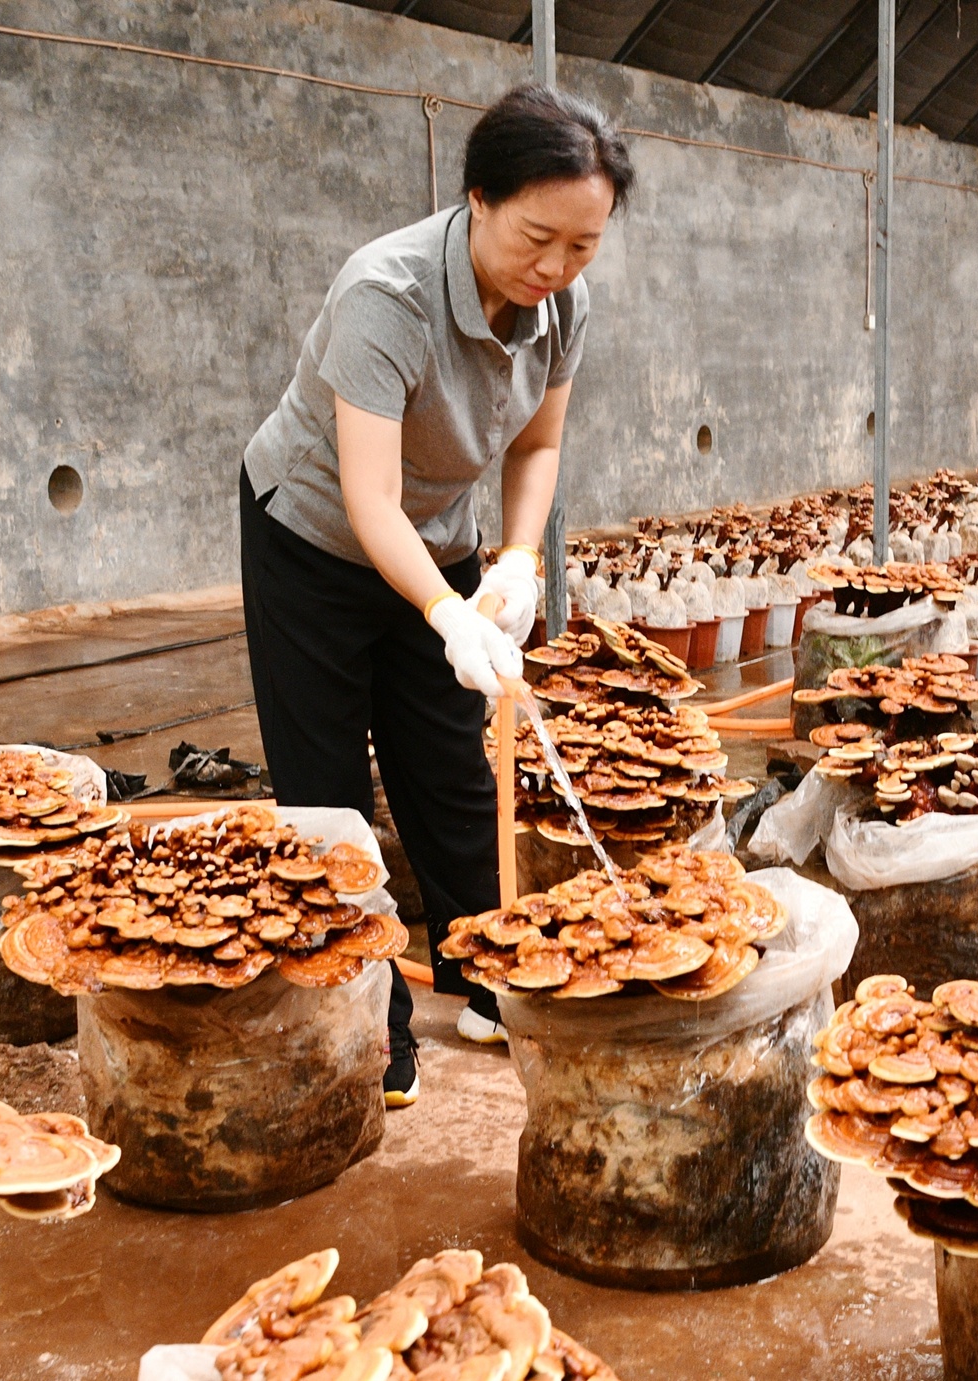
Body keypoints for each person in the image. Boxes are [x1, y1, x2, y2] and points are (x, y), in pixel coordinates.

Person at [238, 85, 633, 1106]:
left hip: (447, 535)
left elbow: (539, 442)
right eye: (537, 237)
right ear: (478, 198)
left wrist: (514, 560)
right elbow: (369, 500)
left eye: (582, 247)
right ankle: (372, 1028)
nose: (554, 268)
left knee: (452, 770)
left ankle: (485, 977)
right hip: (318, 534)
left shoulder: (562, 305)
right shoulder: (389, 290)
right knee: (328, 790)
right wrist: (445, 613)